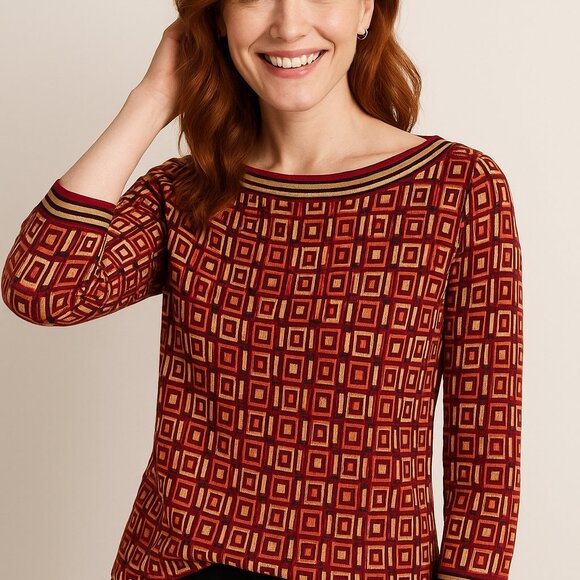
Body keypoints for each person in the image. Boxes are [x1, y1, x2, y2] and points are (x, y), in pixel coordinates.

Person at [1, 0, 524, 579]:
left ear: (366, 10)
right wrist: (152, 98)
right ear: (218, 18)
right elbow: (40, 288)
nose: (289, 24)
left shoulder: (457, 189)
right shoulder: (188, 192)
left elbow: (488, 457)